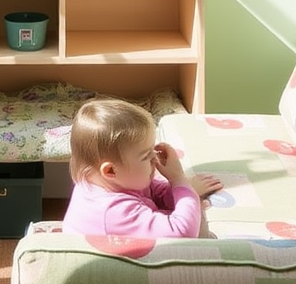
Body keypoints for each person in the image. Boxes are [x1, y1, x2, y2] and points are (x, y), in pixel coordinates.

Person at [61, 97, 222, 238]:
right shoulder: (112, 211)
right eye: (146, 155)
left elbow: (152, 192)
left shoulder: (116, 180)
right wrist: (178, 179)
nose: (155, 158)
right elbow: (183, 232)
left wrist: (181, 190)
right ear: (110, 171)